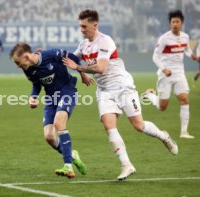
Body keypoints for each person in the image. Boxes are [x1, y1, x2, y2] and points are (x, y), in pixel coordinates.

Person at [62, 9, 178, 181]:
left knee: (138, 125)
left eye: (84, 26)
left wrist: (79, 69)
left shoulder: (105, 41)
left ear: (95, 25)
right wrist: (46, 55)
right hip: (104, 90)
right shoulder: (84, 44)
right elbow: (70, 58)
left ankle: (164, 136)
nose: (82, 30)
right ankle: (126, 164)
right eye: (80, 26)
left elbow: (100, 68)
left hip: (122, 86)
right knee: (109, 125)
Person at [9, 42, 88, 179]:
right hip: (51, 99)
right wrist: (32, 97)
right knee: (49, 137)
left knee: (59, 124)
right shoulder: (27, 69)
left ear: (27, 56)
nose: (17, 66)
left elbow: (74, 58)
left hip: (67, 91)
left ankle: (68, 167)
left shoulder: (51, 54)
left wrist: (83, 74)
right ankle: (72, 154)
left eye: (18, 62)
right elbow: (36, 84)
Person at [143, 10, 198, 139]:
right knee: (163, 107)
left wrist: (193, 56)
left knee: (184, 99)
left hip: (179, 73)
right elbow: (155, 56)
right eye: (173, 22)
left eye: (177, 21)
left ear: (182, 23)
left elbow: (186, 50)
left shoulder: (185, 36)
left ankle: (184, 132)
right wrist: (164, 69)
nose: (175, 24)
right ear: (170, 23)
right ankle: (150, 95)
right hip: (166, 75)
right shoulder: (164, 39)